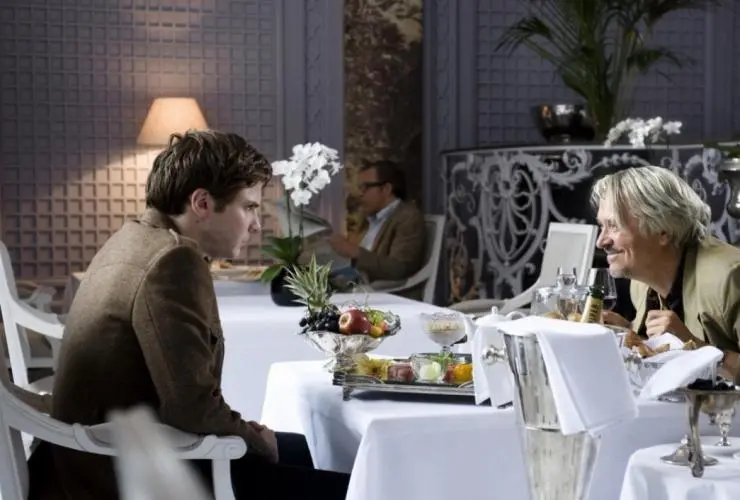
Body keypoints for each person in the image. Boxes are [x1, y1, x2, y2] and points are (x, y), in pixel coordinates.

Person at [27, 130, 350, 499]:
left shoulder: (132, 237)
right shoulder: (173, 260)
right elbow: (191, 409)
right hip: (124, 473)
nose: (256, 225)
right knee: (363, 487)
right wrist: (256, 439)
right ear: (202, 203)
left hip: (88, 458)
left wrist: (254, 436)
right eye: (248, 207)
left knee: (314, 449)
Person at [592, 166, 740, 380]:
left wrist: (695, 348)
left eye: (614, 226)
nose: (601, 241)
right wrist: (628, 333)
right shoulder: (641, 282)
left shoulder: (730, 277)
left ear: (663, 230)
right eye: (602, 226)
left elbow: (685, 342)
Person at [328, 160, 426, 299]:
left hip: (385, 295)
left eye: (365, 187)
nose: (360, 194)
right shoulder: (370, 218)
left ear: (386, 189)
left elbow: (399, 268)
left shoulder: (407, 217)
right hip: (354, 285)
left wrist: (354, 251)